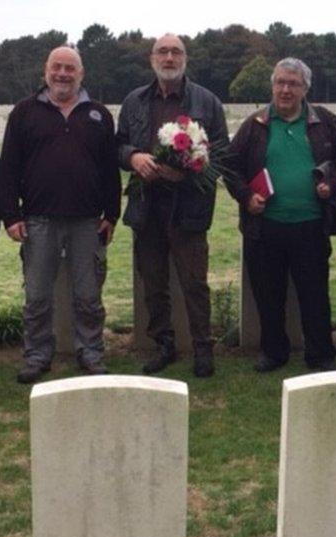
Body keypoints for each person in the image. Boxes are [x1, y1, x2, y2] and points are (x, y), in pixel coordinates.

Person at [0, 46, 120, 384]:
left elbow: (110, 170)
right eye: (57, 67)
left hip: (86, 221)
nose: (63, 74)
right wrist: (11, 216)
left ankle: (91, 352)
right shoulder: (24, 112)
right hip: (38, 221)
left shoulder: (98, 115)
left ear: (81, 75)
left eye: (70, 68)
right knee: (37, 295)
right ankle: (37, 355)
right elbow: (8, 168)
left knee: (88, 294)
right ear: (45, 72)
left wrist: (112, 213)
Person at [227, 57, 336, 372]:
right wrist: (245, 196)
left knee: (314, 295)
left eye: (293, 84)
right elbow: (231, 167)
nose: (285, 89)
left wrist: (331, 183)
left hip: (310, 225)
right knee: (269, 296)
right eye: (280, 82)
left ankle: (321, 354)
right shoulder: (255, 124)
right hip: (265, 226)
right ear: (272, 85)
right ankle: (274, 352)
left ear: (305, 88)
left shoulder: (323, 121)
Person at [116, 33, 227, 378]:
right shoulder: (134, 101)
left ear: (185, 59)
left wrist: (190, 174)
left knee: (194, 283)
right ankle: (164, 344)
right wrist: (134, 157)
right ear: (152, 59)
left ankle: (202, 347)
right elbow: (117, 145)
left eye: (175, 52)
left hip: (188, 208)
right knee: (154, 281)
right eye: (162, 52)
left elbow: (222, 155)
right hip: (147, 208)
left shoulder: (207, 102)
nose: (169, 58)